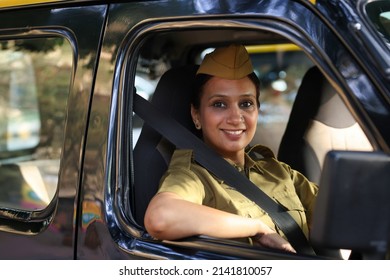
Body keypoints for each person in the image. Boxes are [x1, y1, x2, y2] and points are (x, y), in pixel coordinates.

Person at [144, 44, 318, 253]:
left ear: (257, 110)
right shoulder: (193, 175)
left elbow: (338, 214)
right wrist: (256, 229)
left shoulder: (278, 171)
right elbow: (161, 217)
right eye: (219, 104)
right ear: (196, 115)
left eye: (246, 104)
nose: (236, 118)